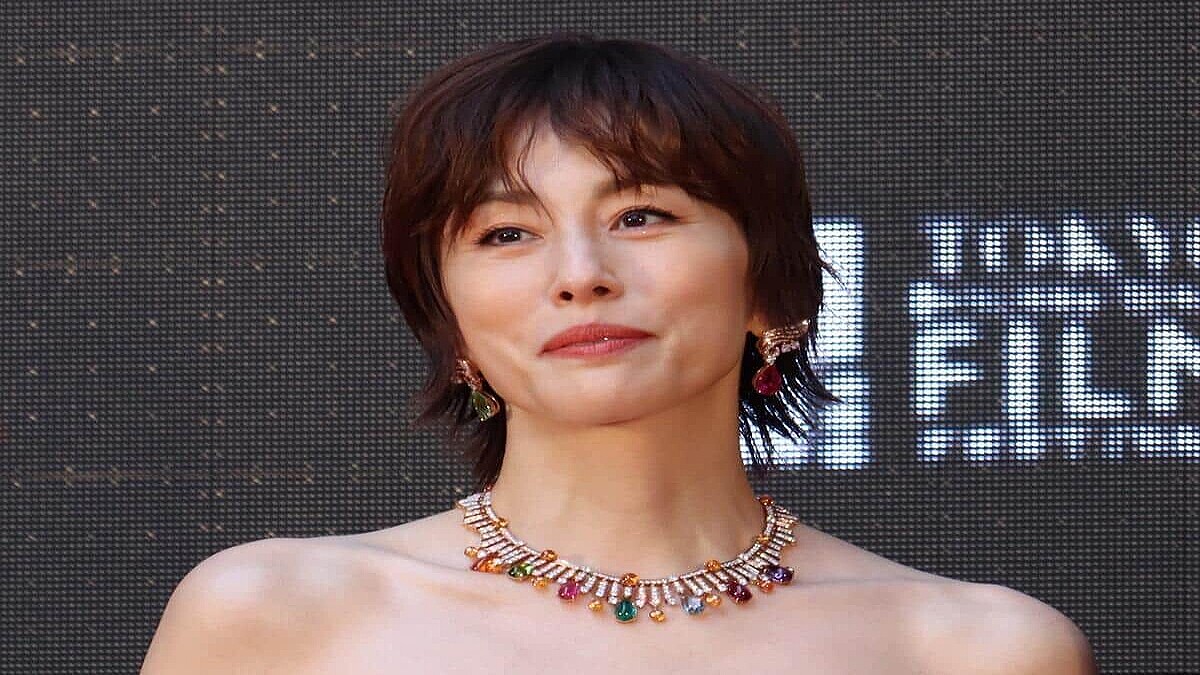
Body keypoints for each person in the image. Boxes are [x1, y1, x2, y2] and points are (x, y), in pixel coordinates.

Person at [141, 32, 1097, 673]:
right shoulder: (271, 619)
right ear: (451, 321)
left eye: (641, 215)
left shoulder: (975, 650)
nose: (580, 275)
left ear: (771, 286)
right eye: (506, 233)